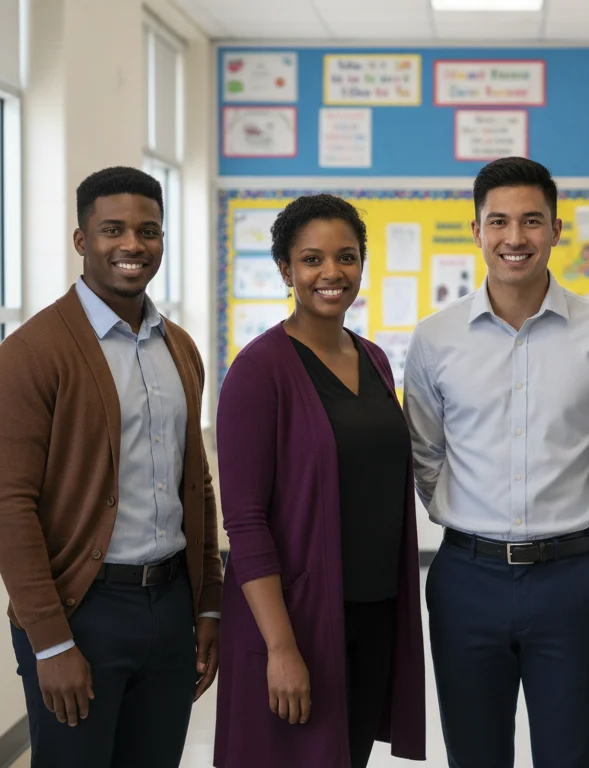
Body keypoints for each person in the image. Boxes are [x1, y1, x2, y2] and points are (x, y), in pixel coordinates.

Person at [402, 157, 589, 768]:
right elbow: (425, 453)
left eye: (532, 221)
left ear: (557, 230)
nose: (516, 238)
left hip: (570, 581)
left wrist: (579, 529)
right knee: (474, 754)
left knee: (569, 753)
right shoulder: (435, 339)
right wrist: (467, 520)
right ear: (477, 230)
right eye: (500, 222)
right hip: (464, 580)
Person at [0, 166, 224, 768]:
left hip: (170, 606)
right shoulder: (30, 355)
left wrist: (209, 602)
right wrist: (51, 640)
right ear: (82, 240)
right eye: (112, 229)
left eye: (149, 231)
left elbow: (198, 482)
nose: (132, 245)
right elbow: (7, 508)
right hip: (81, 612)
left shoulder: (180, 347)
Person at [213, 194, 426, 768]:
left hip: (374, 612)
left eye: (346, 257)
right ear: (286, 269)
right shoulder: (258, 372)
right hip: (297, 621)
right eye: (312, 260)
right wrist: (281, 648)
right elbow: (245, 521)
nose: (332, 273)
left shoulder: (375, 359)